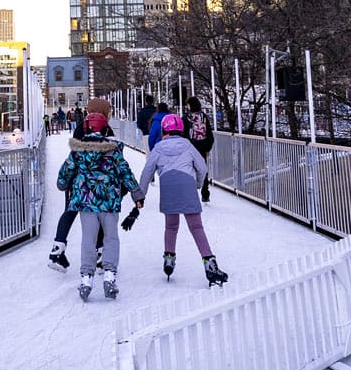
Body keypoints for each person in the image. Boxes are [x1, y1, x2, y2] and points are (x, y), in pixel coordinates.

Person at [55, 110, 145, 300]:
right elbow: (125, 173)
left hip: (87, 203)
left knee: (88, 239)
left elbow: (64, 173)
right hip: (109, 202)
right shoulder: (113, 151)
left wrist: (63, 184)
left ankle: (86, 278)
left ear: (86, 128)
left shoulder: (78, 152)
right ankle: (110, 276)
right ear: (105, 129)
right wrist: (137, 194)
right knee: (111, 238)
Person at [139, 113, 227, 286]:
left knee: (171, 226)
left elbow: (146, 173)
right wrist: (198, 184)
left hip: (168, 188)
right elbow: (202, 166)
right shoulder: (187, 146)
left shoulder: (157, 148)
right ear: (181, 129)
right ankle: (209, 264)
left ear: (164, 130)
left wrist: (140, 197)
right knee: (196, 226)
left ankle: (169, 258)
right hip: (187, 185)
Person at [183, 95, 216, 202]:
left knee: (189, 169)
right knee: (203, 168)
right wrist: (208, 148)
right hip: (202, 145)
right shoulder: (204, 116)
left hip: (190, 146)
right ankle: (205, 193)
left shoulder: (186, 117)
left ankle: (191, 192)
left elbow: (183, 133)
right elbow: (209, 133)